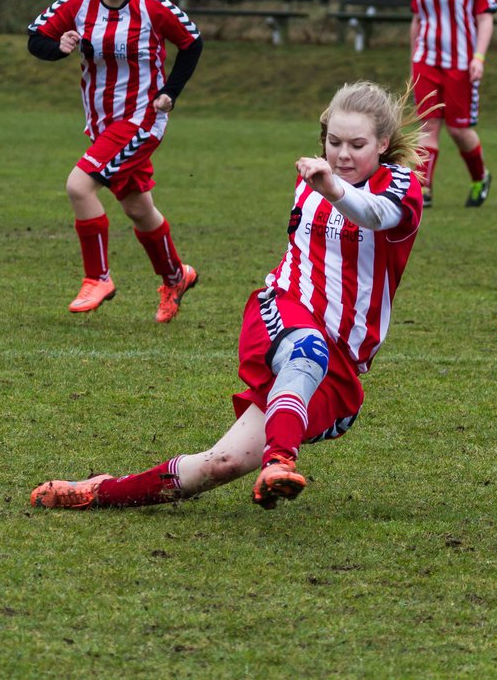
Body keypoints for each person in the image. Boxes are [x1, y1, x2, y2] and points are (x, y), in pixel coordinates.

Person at [31, 81, 425, 511]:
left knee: (222, 463)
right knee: (305, 349)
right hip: (282, 312)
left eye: (357, 144)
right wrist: (329, 183)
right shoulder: (313, 176)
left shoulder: (399, 188)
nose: (342, 154)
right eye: (333, 142)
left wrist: (332, 187)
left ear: (383, 144)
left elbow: (378, 214)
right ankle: (280, 460)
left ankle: (100, 492)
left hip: (339, 362)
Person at [27, 0, 204, 323]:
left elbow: (192, 43)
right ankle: (176, 276)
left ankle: (98, 277)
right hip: (102, 124)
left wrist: (170, 92)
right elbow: (35, 37)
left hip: (142, 120)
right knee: (139, 209)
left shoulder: (154, 8)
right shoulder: (78, 3)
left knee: (79, 185)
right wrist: (58, 48)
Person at [410, 0, 497, 208]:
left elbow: (485, 19)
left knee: (459, 129)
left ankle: (480, 177)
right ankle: (423, 190)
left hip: (461, 62)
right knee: (428, 125)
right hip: (426, 61)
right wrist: (413, 59)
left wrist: (479, 58)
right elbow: (417, 20)